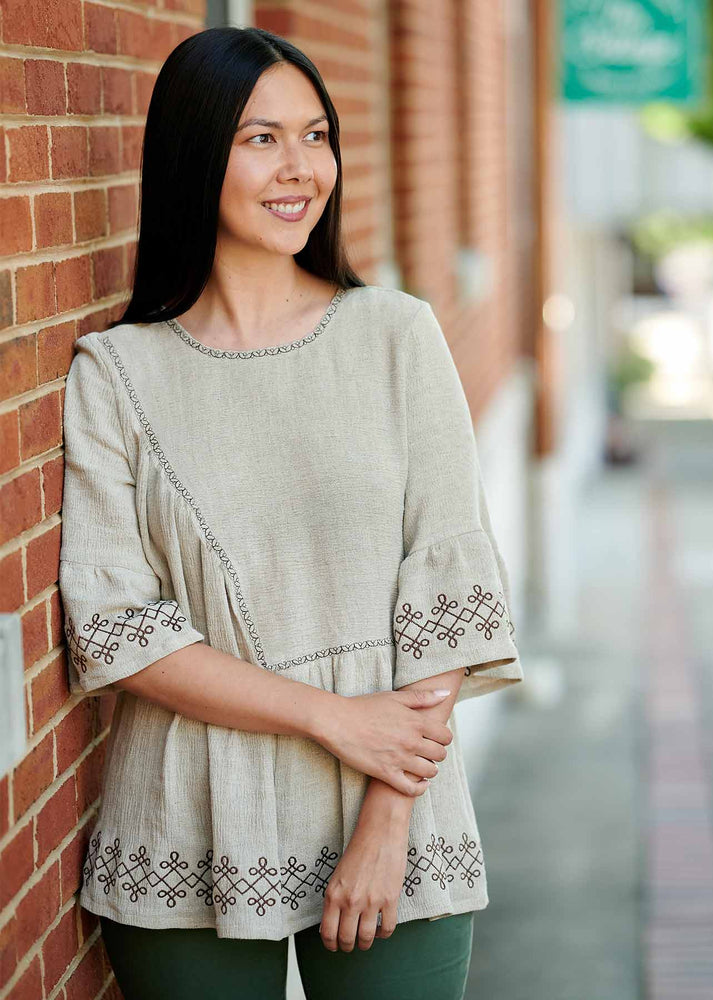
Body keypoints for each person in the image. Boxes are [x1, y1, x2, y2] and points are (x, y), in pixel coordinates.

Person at [58, 25, 523, 1000]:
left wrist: (385, 819)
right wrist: (331, 718)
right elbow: (116, 627)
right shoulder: (118, 373)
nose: (300, 167)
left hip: (393, 808)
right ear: (195, 156)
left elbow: (448, 586)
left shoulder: (395, 334)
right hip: (188, 813)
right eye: (261, 138)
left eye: (316, 135)